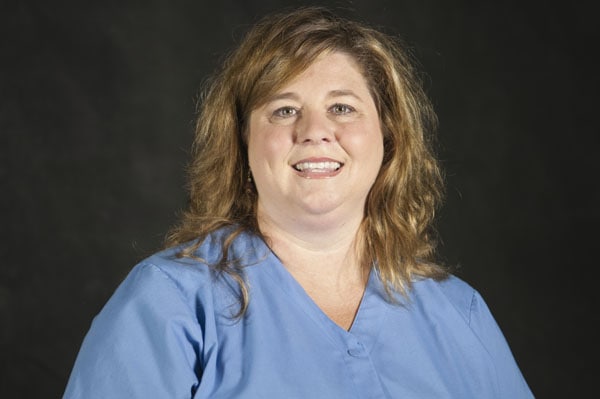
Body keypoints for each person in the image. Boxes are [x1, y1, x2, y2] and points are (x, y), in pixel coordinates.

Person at [63, 7, 534, 398]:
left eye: (342, 107)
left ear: (388, 136)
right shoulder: (169, 302)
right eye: (284, 109)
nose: (314, 130)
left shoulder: (459, 312)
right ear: (243, 139)